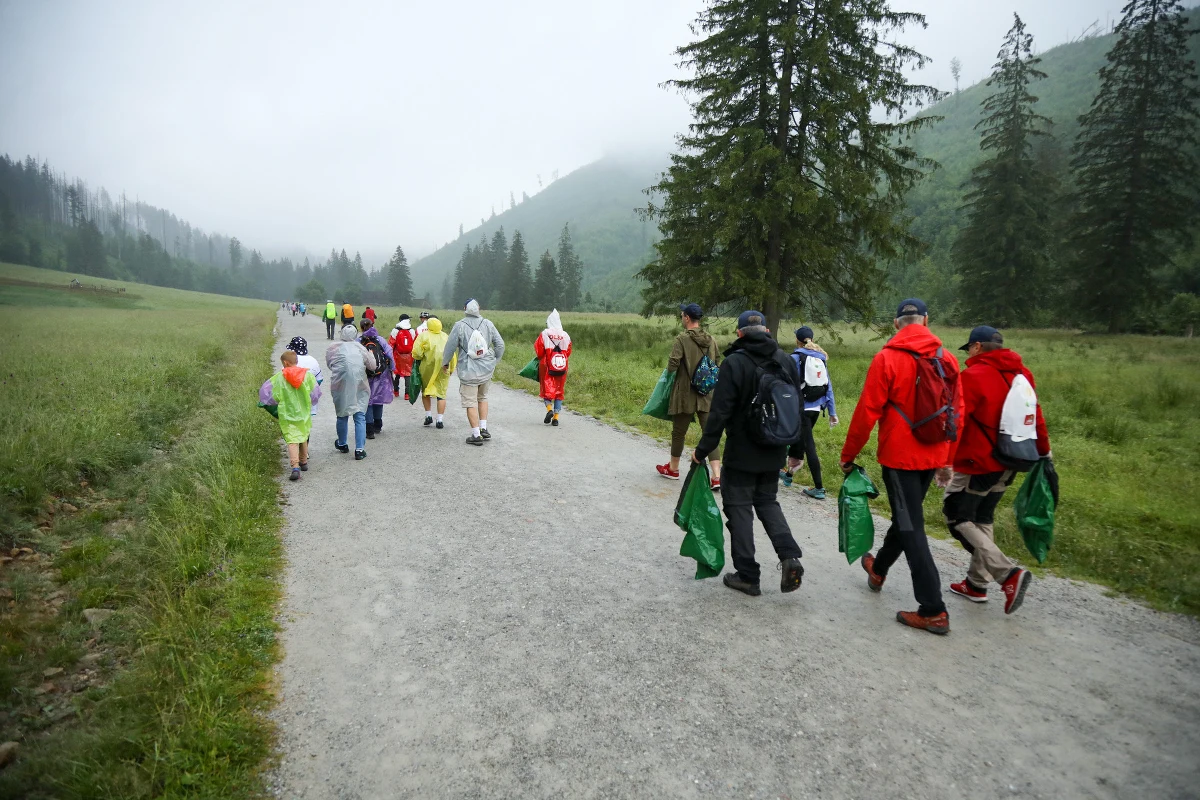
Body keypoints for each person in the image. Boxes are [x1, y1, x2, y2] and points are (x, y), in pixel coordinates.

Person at [840, 298, 963, 635]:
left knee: (911, 527)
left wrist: (849, 454)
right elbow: (958, 412)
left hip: (899, 456)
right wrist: (948, 459)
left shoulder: (887, 358)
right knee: (906, 517)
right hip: (933, 453)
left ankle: (933, 609)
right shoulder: (947, 358)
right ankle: (878, 569)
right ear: (926, 320)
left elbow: (867, 411)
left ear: (896, 323)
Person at [693, 310, 805, 597]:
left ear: (740, 333)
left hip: (742, 452)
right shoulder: (785, 360)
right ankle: (790, 557)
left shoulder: (734, 362)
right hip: (775, 448)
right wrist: (797, 449)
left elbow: (719, 413)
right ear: (766, 330)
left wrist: (703, 450)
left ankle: (747, 575)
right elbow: (798, 409)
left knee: (739, 508)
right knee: (767, 502)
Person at [943, 325, 1050, 614]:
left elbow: (958, 421)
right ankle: (976, 585)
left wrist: (947, 460)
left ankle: (1008, 574)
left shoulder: (973, 376)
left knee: (957, 515)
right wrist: (1044, 452)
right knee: (983, 517)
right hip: (1013, 460)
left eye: (969, 348)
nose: (968, 353)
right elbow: (1036, 415)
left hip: (977, 462)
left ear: (977, 346)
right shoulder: (1022, 375)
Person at [657, 303, 722, 490]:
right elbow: (717, 362)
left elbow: (672, 366)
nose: (681, 317)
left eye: (682, 315)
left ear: (687, 318)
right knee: (710, 433)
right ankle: (717, 476)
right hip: (706, 393)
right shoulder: (711, 339)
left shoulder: (682, 339)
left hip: (685, 393)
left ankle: (673, 469)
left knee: (679, 433)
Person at [781, 326, 838, 498]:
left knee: (808, 445)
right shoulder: (820, 358)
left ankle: (819, 488)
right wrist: (832, 412)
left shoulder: (794, 358)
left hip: (801, 409)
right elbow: (828, 387)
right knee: (800, 439)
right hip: (816, 409)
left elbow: (786, 385)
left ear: (797, 340)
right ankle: (788, 475)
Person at [442, 299, 505, 446]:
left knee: (470, 401)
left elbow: (450, 347)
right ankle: (483, 428)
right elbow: (500, 344)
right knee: (482, 397)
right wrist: (495, 360)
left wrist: (445, 363)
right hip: (486, 369)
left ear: (464, 308)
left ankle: (476, 435)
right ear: (479, 308)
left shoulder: (459, 325)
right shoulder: (488, 324)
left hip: (468, 370)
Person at [258, 350, 321, 481]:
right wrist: (310, 401)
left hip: (287, 413)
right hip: (303, 411)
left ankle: (295, 467)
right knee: (303, 435)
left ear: (285, 363)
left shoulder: (280, 378)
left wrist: (270, 402)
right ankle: (304, 461)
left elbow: (269, 393)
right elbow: (315, 393)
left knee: (292, 439)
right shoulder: (307, 376)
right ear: (296, 361)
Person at [325, 324, 376, 460]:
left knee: (342, 414)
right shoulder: (360, 348)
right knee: (360, 415)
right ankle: (359, 449)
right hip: (360, 385)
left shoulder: (333, 347)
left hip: (340, 384)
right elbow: (372, 366)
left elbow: (330, 364)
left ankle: (342, 443)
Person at [412, 316, 455, 429]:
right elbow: (452, 354)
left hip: (427, 369)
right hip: (444, 368)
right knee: (441, 394)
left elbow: (417, 353)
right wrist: (451, 369)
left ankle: (428, 415)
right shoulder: (446, 336)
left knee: (426, 391)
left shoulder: (423, 336)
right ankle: (439, 420)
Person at [534, 309, 572, 426]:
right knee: (559, 391)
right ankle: (556, 418)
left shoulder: (545, 333)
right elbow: (568, 351)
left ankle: (549, 409)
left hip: (547, 365)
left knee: (547, 389)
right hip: (562, 365)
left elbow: (539, 350)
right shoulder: (566, 335)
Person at [359, 317, 394, 438]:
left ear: (361, 328)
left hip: (365, 374)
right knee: (379, 398)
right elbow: (389, 354)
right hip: (381, 374)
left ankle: (369, 429)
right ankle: (377, 424)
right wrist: (392, 369)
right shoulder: (380, 340)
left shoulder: (359, 341)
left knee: (367, 400)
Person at [285, 336, 323, 419]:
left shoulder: (289, 361)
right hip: (308, 398)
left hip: (293, 398)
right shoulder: (313, 360)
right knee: (306, 421)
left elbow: (284, 378)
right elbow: (319, 379)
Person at [388, 314, 418, 400]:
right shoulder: (412, 330)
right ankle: (407, 394)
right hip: (409, 356)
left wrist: (389, 355)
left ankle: (396, 391)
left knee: (397, 373)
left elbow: (391, 344)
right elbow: (415, 343)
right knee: (408, 374)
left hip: (398, 355)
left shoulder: (395, 330)